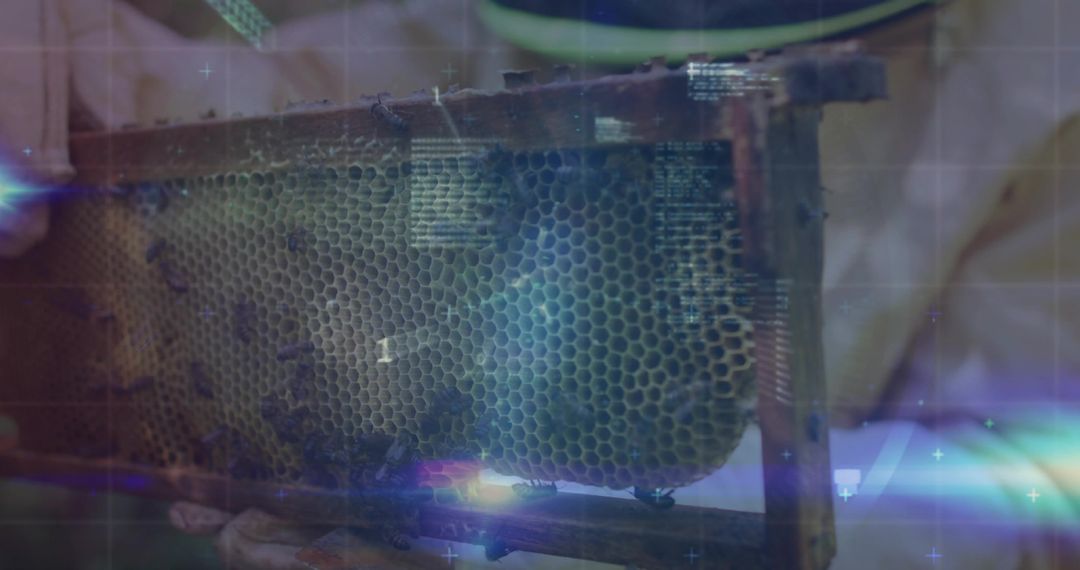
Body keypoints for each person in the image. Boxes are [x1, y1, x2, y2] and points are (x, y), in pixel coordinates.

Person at [2, 0, 1079, 568]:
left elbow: (1029, 493)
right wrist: (54, 35)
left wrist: (540, 555)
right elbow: (176, 116)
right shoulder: (441, 36)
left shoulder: (1040, 76)